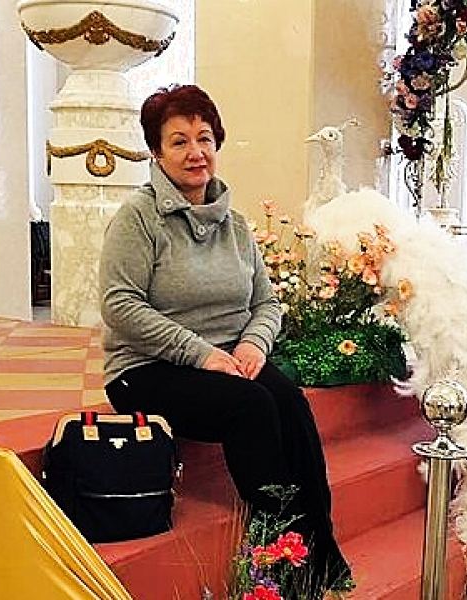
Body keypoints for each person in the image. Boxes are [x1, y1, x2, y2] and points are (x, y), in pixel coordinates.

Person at [99, 84, 352, 595]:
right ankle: (278, 558)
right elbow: (120, 306)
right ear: (156, 152)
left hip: (232, 359)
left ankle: (319, 551)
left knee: (290, 403)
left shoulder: (233, 224)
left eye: (204, 138)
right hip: (146, 368)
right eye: (179, 141)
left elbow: (267, 302)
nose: (195, 152)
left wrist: (254, 344)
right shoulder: (138, 219)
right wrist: (201, 354)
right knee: (251, 407)